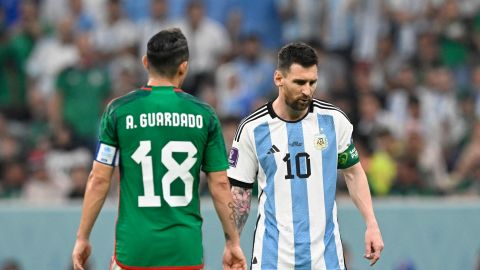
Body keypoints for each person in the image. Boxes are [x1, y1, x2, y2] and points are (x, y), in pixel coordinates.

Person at [71, 28, 247, 270]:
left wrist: (82, 237)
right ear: (184, 67)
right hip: (185, 252)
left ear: (145, 62)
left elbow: (99, 179)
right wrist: (233, 241)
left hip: (134, 252)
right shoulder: (204, 114)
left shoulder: (118, 111)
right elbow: (219, 185)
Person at [227, 42, 384, 269]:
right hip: (272, 257)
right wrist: (232, 243)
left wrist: (372, 224)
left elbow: (353, 173)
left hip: (325, 257)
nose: (307, 90)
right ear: (278, 79)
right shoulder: (253, 129)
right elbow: (239, 194)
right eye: (300, 82)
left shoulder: (333, 121)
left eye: (312, 82)